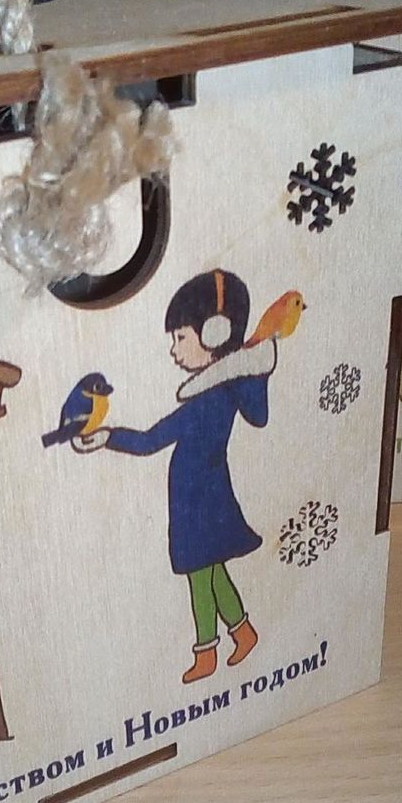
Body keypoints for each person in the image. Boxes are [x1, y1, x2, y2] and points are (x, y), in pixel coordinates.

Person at [76, 269, 276, 683]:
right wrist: (108, 437)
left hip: (200, 501)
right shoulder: (215, 389)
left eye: (180, 337)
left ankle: (206, 652)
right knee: (212, 571)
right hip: (202, 495)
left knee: (200, 577)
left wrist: (109, 437)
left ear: (216, 332)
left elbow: (151, 440)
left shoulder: (209, 397)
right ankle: (244, 633)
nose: (173, 349)